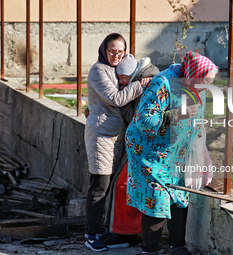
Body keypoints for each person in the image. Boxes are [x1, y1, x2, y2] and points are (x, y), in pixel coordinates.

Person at [125, 51, 218, 255]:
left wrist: (201, 150)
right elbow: (144, 121)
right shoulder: (162, 84)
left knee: (180, 194)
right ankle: (149, 249)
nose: (207, 86)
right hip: (150, 152)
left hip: (177, 153)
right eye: (205, 81)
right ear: (192, 75)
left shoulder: (195, 85)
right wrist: (177, 115)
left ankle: (178, 246)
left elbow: (197, 121)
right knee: (157, 198)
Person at [84, 33, 149, 252]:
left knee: (106, 187)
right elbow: (115, 98)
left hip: (114, 138)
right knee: (99, 187)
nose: (116, 56)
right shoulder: (97, 71)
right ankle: (91, 235)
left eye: (120, 52)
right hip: (101, 138)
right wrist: (139, 84)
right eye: (112, 51)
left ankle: (100, 230)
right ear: (104, 50)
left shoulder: (115, 69)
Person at [103, 54, 160, 237]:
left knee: (124, 186)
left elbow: (137, 118)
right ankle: (124, 231)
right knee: (126, 186)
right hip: (140, 145)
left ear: (132, 74)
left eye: (123, 78)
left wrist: (123, 105)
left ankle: (126, 233)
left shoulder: (146, 83)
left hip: (145, 146)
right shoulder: (142, 80)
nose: (121, 83)